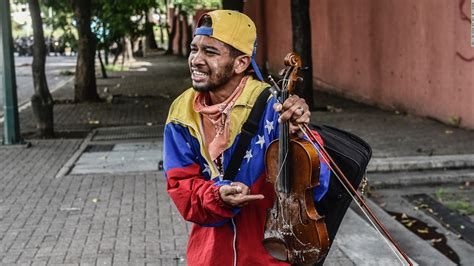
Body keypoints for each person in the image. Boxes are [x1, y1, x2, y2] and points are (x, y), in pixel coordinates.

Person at [163, 10, 330, 265]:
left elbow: (318, 183)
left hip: (270, 256)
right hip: (209, 256)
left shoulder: (275, 107)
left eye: (210, 52)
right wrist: (217, 196)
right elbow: (180, 186)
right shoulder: (181, 113)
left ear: (241, 63)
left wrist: (301, 138)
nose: (196, 59)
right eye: (194, 49)